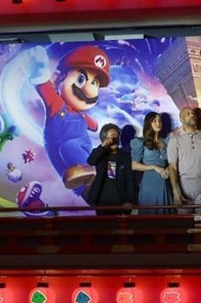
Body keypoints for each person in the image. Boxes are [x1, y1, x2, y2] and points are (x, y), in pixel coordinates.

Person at [24, 45, 110, 194]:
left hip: (83, 151)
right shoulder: (57, 106)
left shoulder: (81, 116)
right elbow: (46, 90)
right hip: (68, 162)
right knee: (67, 149)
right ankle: (87, 179)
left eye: (94, 83)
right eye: (81, 79)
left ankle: (90, 173)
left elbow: (94, 125)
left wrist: (101, 127)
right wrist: (39, 71)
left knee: (71, 148)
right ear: (58, 78)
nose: (89, 90)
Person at [167, 107, 201, 212]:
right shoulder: (174, 139)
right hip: (183, 186)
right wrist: (175, 191)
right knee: (184, 220)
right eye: (188, 113)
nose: (191, 115)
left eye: (193, 113)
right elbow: (172, 167)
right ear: (181, 119)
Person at [86, 124, 136, 215]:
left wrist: (129, 200)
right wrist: (103, 146)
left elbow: (130, 179)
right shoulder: (100, 153)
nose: (115, 139)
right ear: (104, 138)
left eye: (117, 136)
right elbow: (91, 161)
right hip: (101, 200)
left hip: (120, 200)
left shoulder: (125, 156)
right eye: (112, 136)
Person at [131, 112, 172, 214]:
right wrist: (154, 167)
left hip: (164, 182)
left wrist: (169, 169)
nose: (158, 123)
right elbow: (134, 165)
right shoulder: (140, 142)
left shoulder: (166, 141)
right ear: (148, 124)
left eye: (160, 121)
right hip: (149, 183)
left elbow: (172, 162)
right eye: (155, 121)